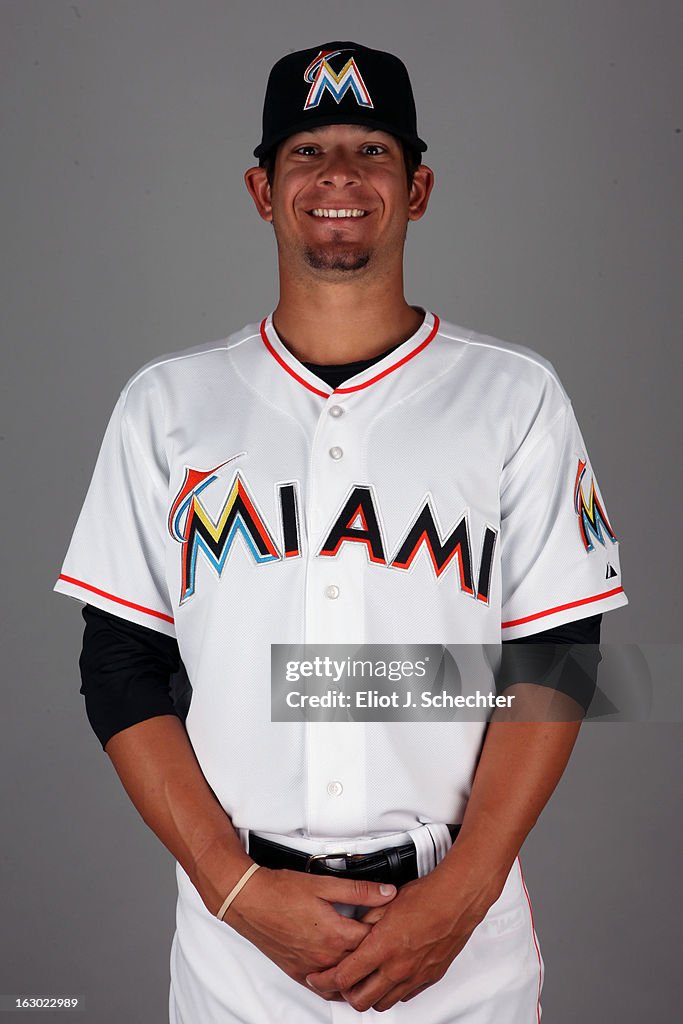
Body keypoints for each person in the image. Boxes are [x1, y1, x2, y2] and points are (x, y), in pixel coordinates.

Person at [55, 41, 627, 1023]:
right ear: (259, 187)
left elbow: (560, 657)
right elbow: (118, 666)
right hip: (236, 952)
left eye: (370, 149)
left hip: (460, 943)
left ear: (417, 187)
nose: (337, 176)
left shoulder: (513, 398)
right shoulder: (167, 406)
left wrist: (463, 894)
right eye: (306, 150)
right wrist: (236, 890)